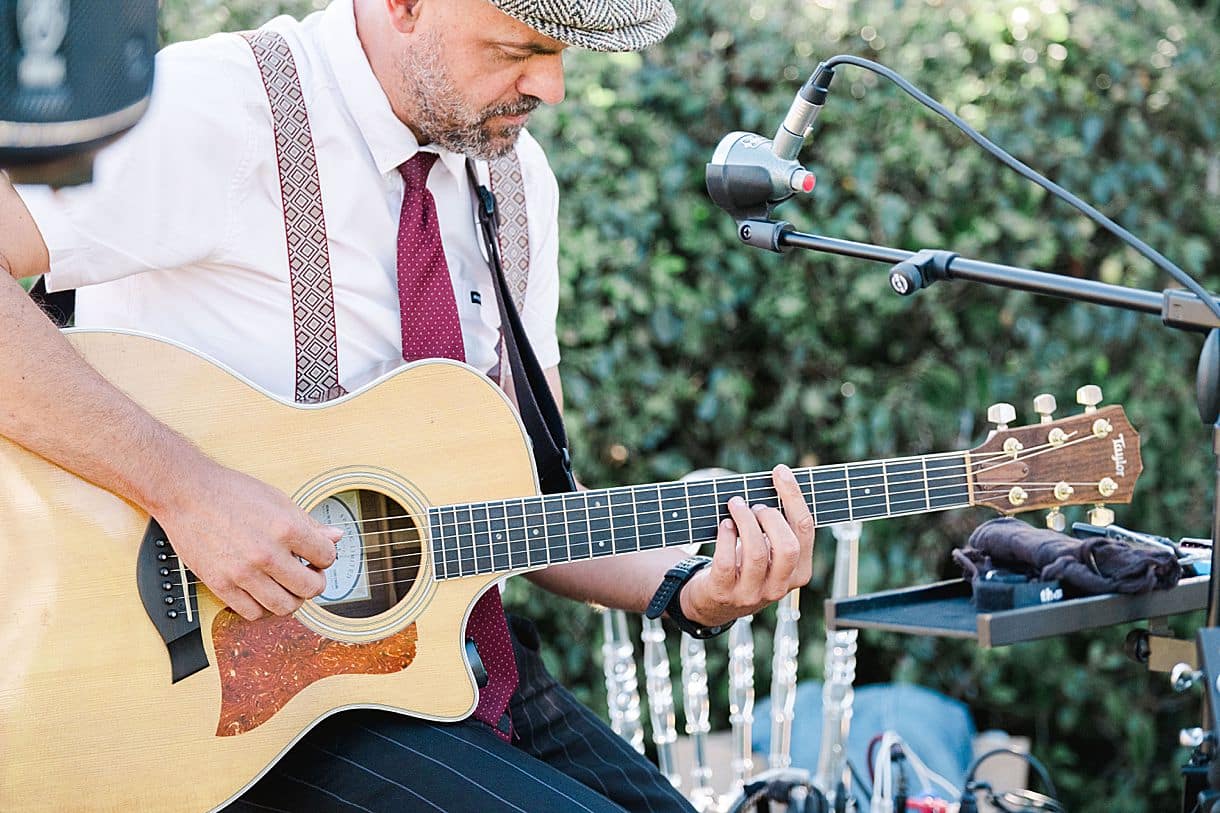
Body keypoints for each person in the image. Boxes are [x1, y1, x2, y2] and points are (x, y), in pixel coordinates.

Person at [0, 1, 816, 810]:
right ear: (406, 6)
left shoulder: (517, 180)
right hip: (209, 697)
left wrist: (687, 587)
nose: (554, 86)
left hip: (445, 667)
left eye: (566, 52)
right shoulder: (214, 106)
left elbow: (530, 509)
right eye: (519, 48)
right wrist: (187, 490)